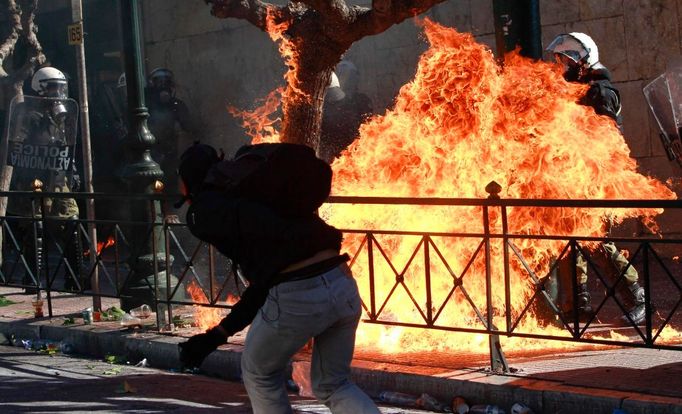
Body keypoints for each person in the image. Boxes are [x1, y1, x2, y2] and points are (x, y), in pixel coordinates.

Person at [177, 142, 380, 414]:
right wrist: (218, 335)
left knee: (259, 374)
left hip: (298, 293)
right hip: (342, 283)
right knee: (334, 384)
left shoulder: (215, 213)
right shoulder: (265, 198)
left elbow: (263, 283)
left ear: (191, 186)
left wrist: (215, 337)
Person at [547, 32, 646, 325]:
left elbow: (605, 137)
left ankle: (637, 298)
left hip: (593, 178)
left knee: (599, 242)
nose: (560, 66)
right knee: (570, 242)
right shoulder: (573, 89)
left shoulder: (601, 91)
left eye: (564, 60)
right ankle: (578, 306)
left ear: (581, 61)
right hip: (570, 178)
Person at [5, 66, 84, 292]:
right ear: (40, 89)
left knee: (72, 223)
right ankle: (33, 279)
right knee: (35, 227)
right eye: (53, 89)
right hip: (34, 180)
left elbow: (67, 147)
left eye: (60, 88)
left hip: (58, 180)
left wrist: (74, 171)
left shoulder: (60, 116)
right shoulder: (26, 114)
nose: (58, 93)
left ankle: (75, 279)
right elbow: (16, 147)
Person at [145, 67, 198, 192]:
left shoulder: (176, 105)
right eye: (159, 82)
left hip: (170, 156)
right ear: (152, 84)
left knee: (170, 190)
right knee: (153, 190)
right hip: (151, 156)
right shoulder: (146, 105)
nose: (163, 85)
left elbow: (189, 127)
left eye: (166, 82)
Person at [318, 60, 373, 164]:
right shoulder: (326, 102)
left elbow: (367, 125)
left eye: (350, 76)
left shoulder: (362, 100)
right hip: (332, 152)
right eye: (343, 75)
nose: (347, 79)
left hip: (356, 151)